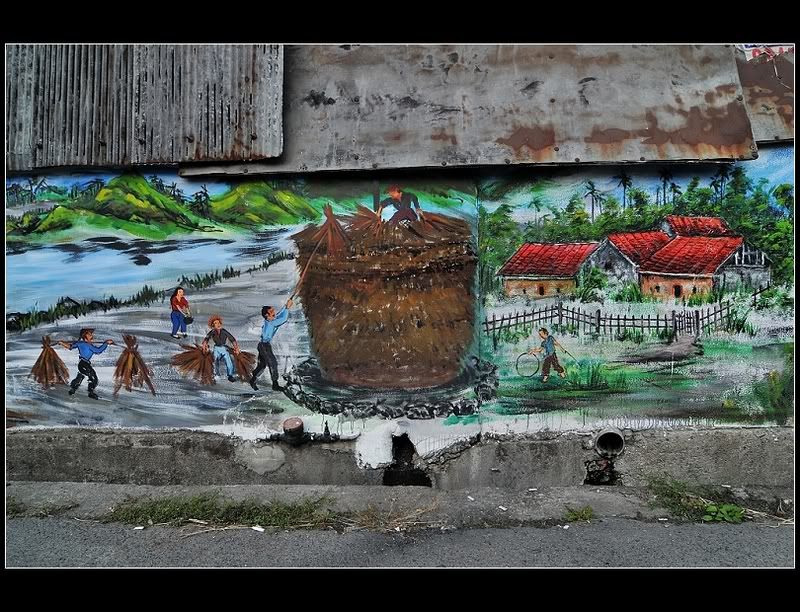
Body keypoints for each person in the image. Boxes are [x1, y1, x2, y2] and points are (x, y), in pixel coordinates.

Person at [250, 298, 293, 391]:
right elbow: (283, 319)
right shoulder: (271, 323)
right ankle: (275, 385)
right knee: (272, 363)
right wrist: (287, 308)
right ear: (267, 315)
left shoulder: (270, 320)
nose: (274, 312)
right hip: (264, 346)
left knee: (262, 365)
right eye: (272, 311)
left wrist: (285, 307)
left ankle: (253, 379)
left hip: (263, 345)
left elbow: (279, 315)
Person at [59, 328, 114, 399]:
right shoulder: (86, 345)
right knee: (93, 377)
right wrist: (106, 343)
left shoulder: (83, 344)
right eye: (89, 334)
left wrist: (62, 343)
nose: (91, 336)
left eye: (91, 334)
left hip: (83, 364)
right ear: (85, 337)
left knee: (81, 376)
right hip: (84, 364)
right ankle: (90, 393)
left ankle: (73, 389)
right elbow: (98, 351)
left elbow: (70, 346)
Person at [202, 315, 239, 383]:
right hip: (216, 348)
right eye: (216, 323)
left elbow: (232, 339)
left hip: (223, 348)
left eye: (219, 323)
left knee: (228, 361)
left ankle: (230, 375)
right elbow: (206, 339)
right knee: (215, 361)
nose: (218, 324)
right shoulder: (212, 332)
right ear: (213, 325)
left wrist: (236, 348)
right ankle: (216, 374)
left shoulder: (224, 331)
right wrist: (204, 346)